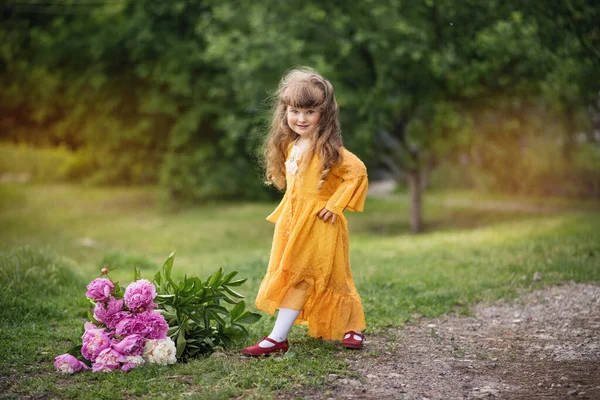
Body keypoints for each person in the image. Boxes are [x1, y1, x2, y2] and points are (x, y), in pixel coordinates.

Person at [242, 67, 368, 357]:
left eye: (310, 111)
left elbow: (357, 172)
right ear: (285, 111)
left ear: (323, 113)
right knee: (296, 275)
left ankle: (350, 328)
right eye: (294, 110)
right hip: (293, 222)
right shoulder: (291, 145)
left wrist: (334, 205)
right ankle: (279, 337)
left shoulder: (328, 149)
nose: (301, 118)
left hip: (321, 224)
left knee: (335, 277)